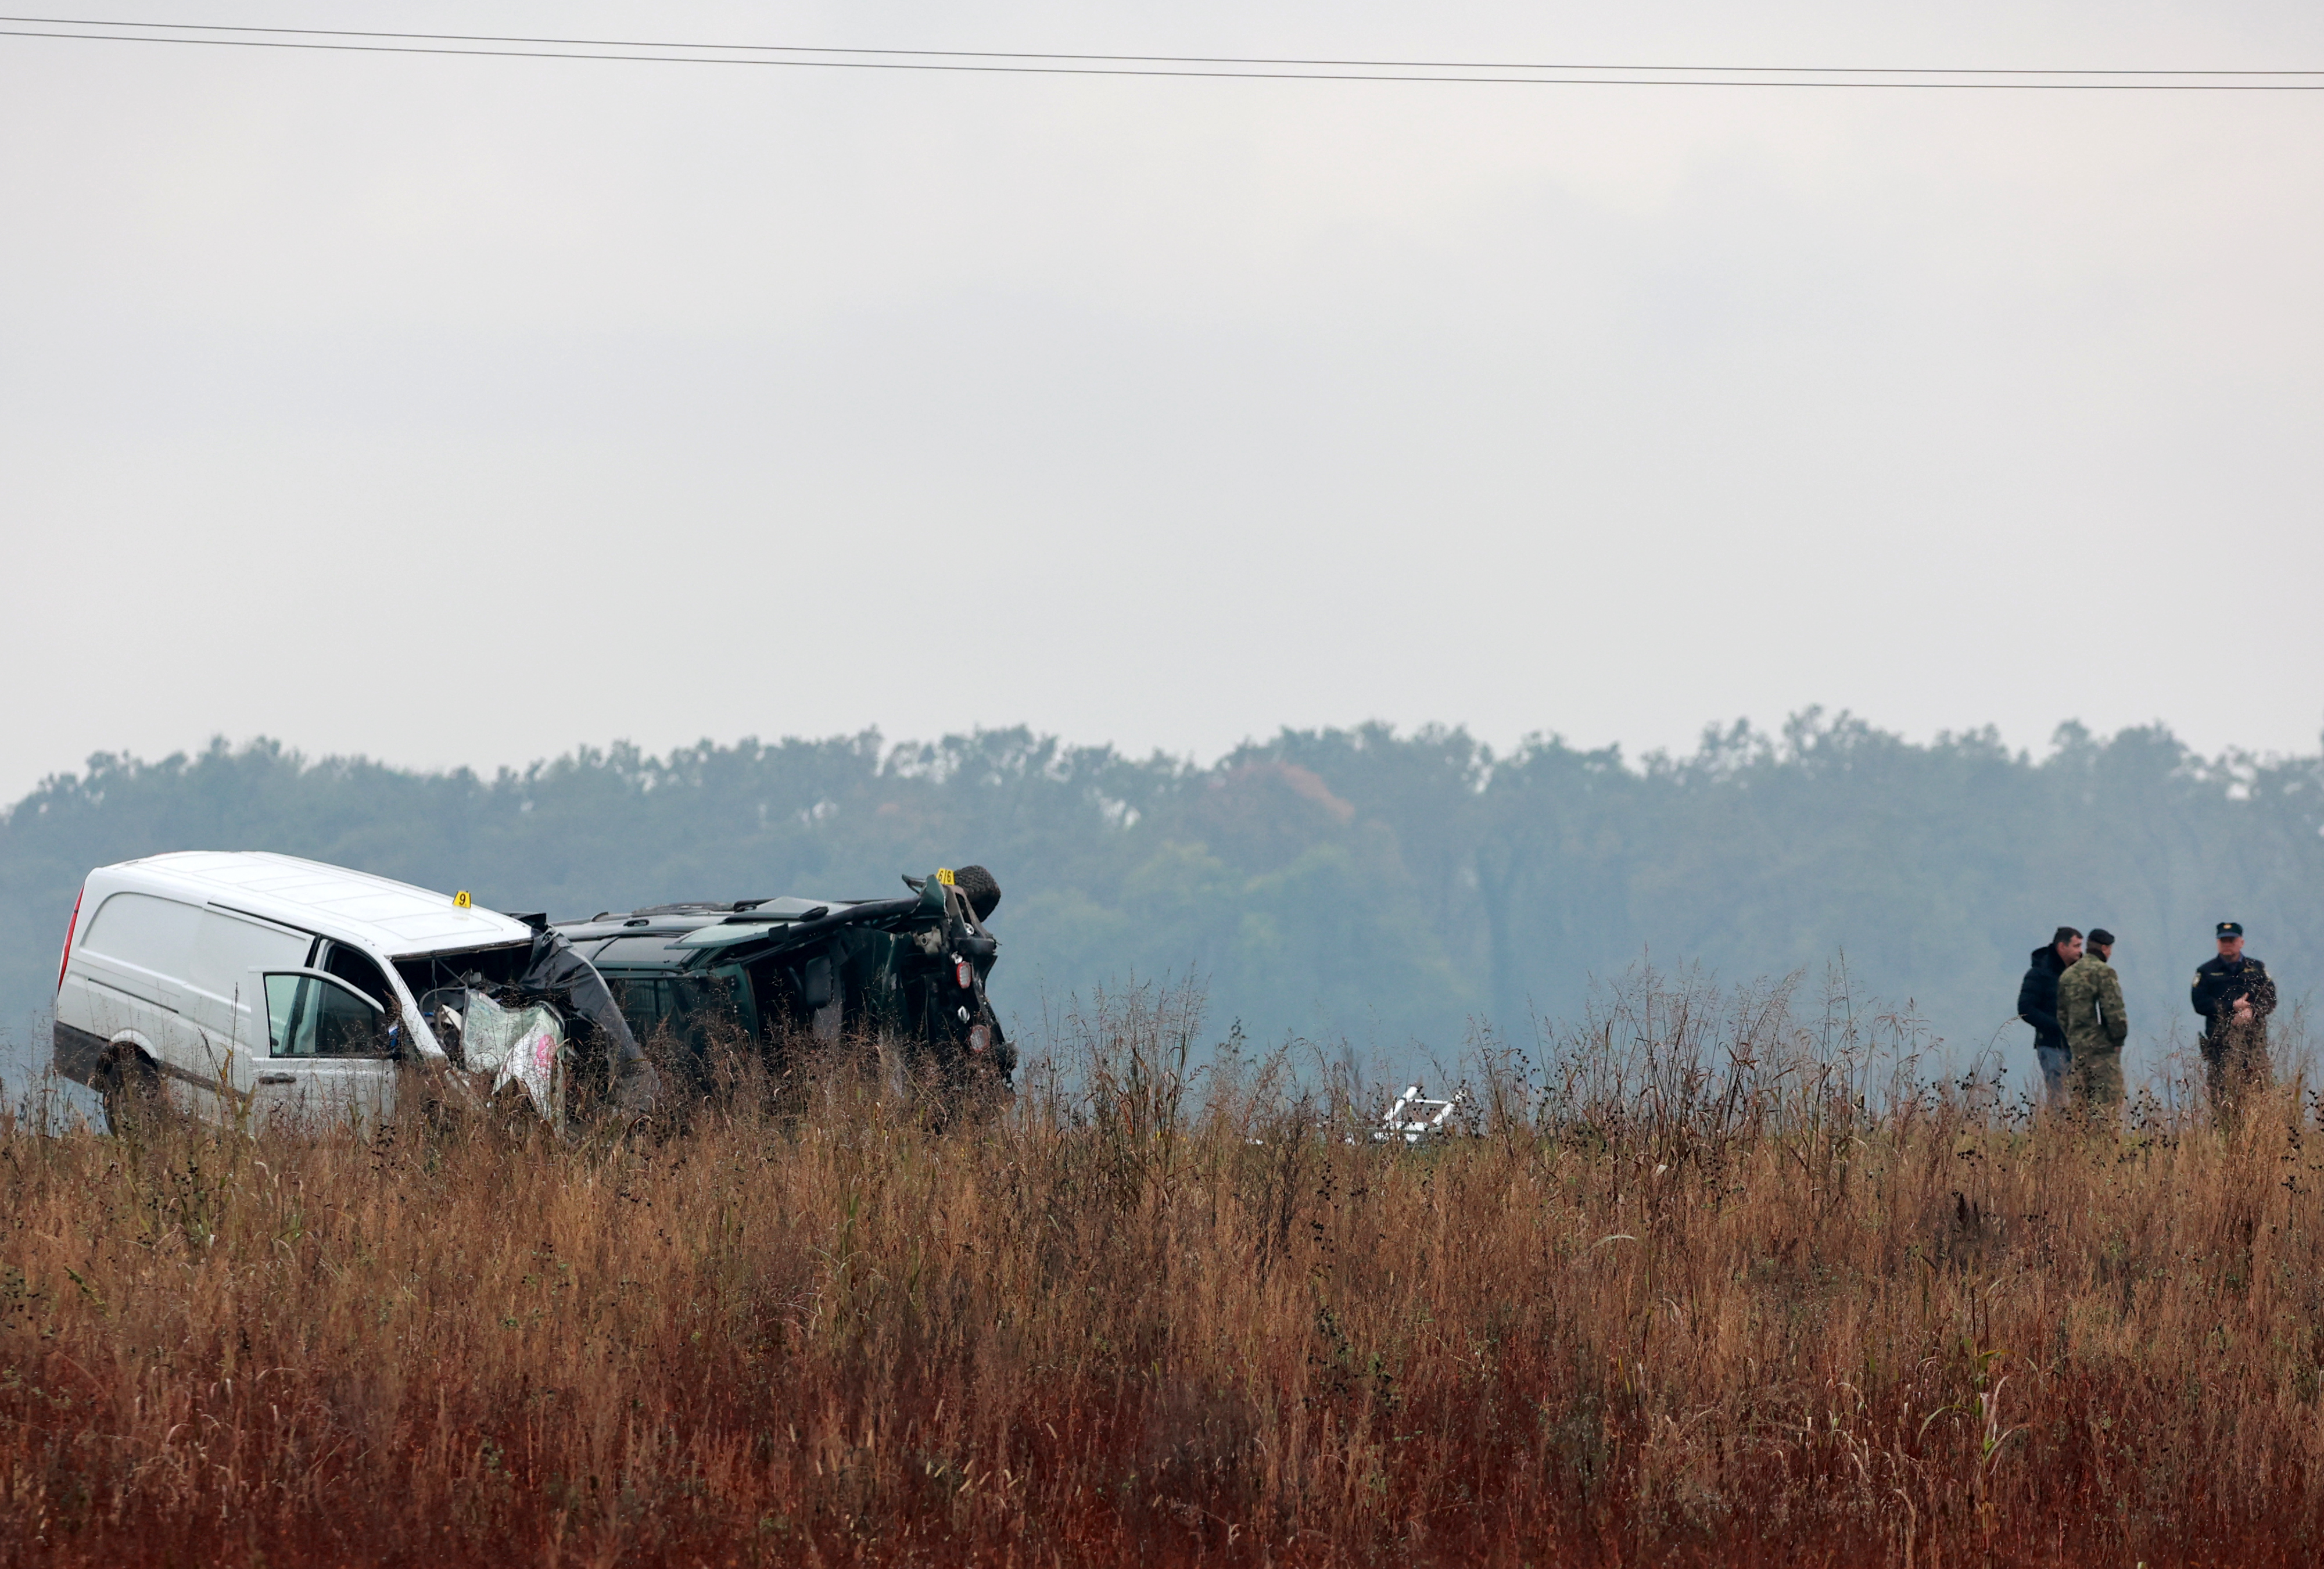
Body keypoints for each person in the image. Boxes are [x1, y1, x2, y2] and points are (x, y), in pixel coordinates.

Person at [2192, 921, 2276, 1113]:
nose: (2227, 944)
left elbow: (2270, 998)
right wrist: (2231, 1007)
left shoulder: (2257, 968)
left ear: (2242, 942)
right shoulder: (2206, 972)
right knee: (2221, 1103)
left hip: (2254, 1045)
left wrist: (2252, 1011)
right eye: (2223, 941)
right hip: (2220, 1045)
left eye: (2231, 940)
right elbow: (2200, 1003)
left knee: (2259, 1098)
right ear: (2218, 943)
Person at [2057, 927, 2127, 1115]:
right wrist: (2118, 1040)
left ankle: (2081, 1144)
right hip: (2102, 1051)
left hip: (2078, 1049)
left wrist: (2074, 1038)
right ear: (2105, 948)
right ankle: (2104, 1144)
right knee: (2107, 1106)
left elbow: (2062, 1015)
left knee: (2080, 1108)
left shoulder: (2068, 975)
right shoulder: (2104, 972)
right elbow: (2113, 1011)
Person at [2017, 926, 2083, 1109]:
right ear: (2062, 947)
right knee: (2058, 1097)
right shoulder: (2039, 974)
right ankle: (2057, 1134)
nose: (2080, 951)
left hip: (2080, 1046)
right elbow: (2026, 1008)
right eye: (2076, 946)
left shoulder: (2080, 974)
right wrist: (2056, 1027)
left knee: (2083, 1097)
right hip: (2052, 1046)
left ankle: (2080, 1135)